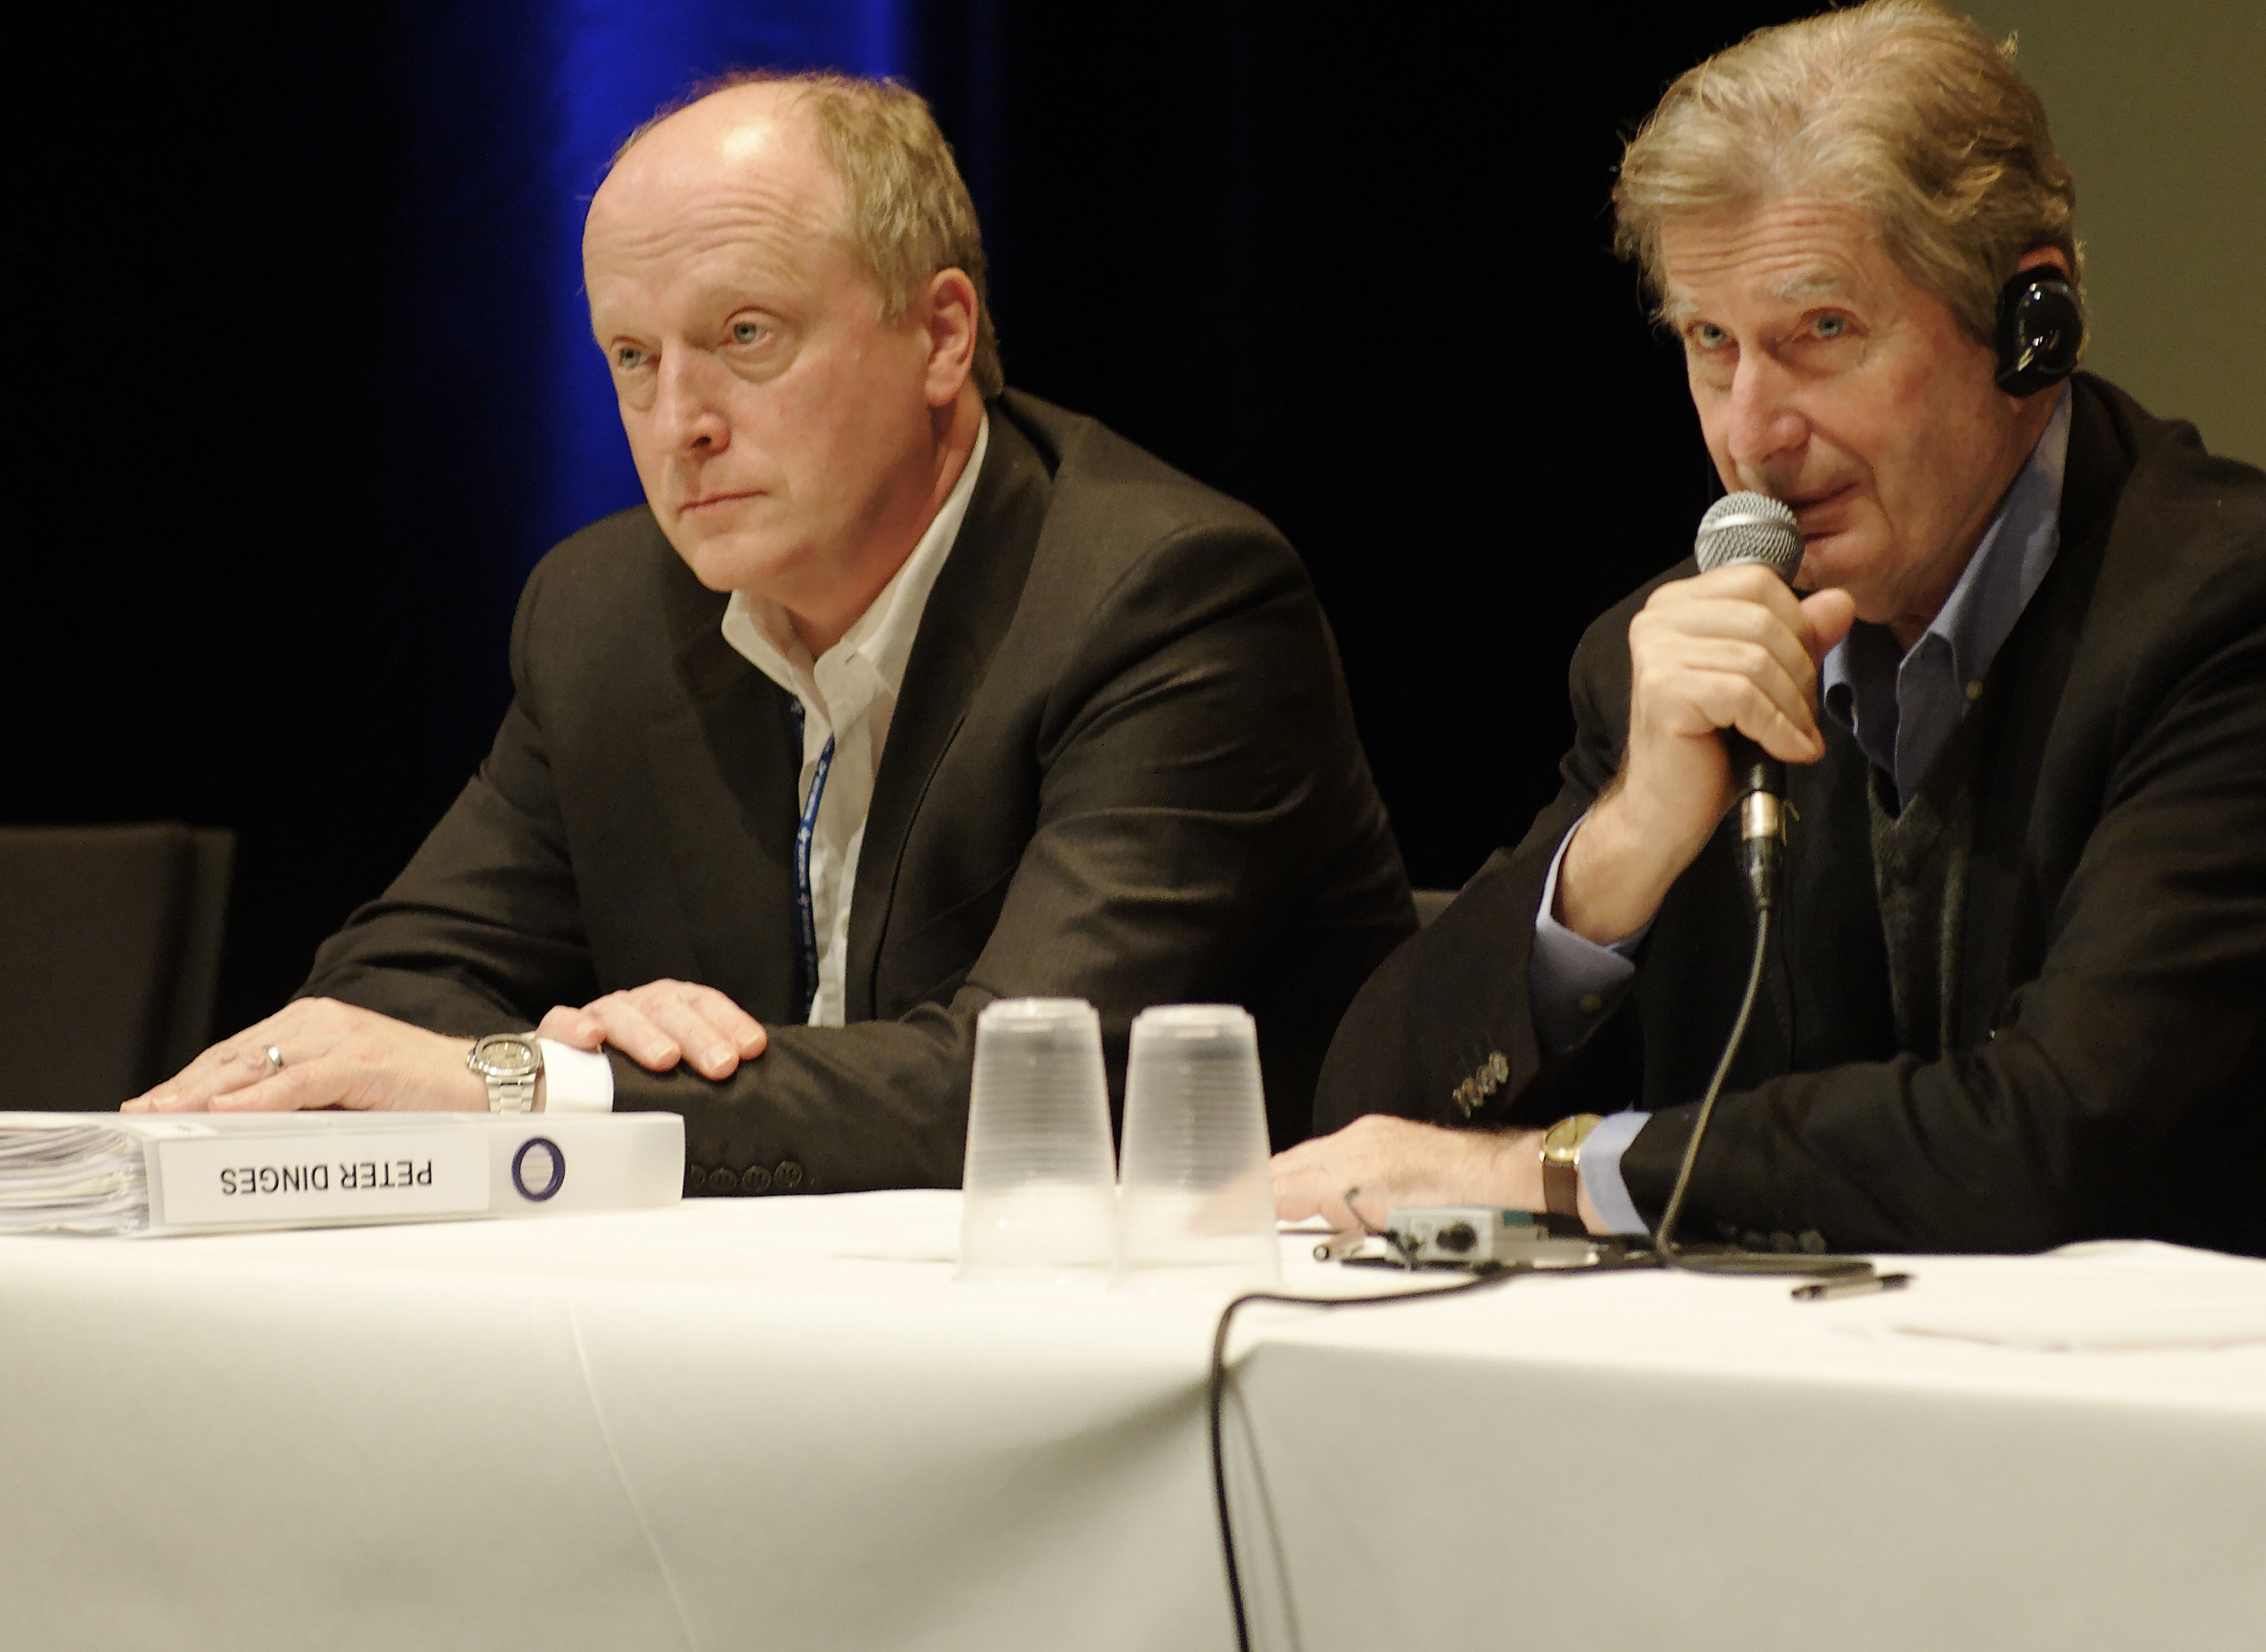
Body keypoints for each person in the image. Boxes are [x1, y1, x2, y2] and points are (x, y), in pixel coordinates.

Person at [1271, 0, 2266, 1275]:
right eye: (1712, 344)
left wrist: (1555, 1175)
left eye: (1822, 333)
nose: (1750, 433)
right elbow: (1367, 1132)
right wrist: (1617, 853)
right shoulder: (1673, 665)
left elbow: (2053, 1146)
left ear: (2030, 327)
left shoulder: (2258, 630)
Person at [135, 71, 1413, 1192]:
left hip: (1196, 1326)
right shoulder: (603, 616)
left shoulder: (1169, 602)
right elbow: (382, 992)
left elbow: (1017, 1085)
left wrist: (550, 1088)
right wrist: (559, 1056)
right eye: (634, 358)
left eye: (745, 336)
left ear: (942, 335)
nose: (678, 422)